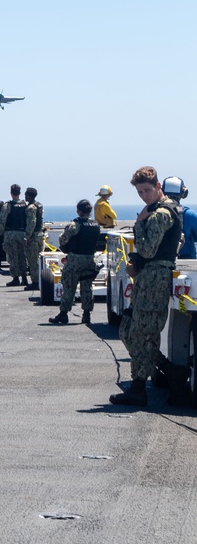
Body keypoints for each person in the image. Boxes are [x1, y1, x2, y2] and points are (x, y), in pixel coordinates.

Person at [109, 167, 182, 407]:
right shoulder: (158, 210)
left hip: (155, 280)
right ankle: (170, 372)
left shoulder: (161, 213)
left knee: (143, 334)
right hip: (148, 276)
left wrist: (139, 224)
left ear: (158, 186)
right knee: (130, 330)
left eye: (147, 190)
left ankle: (139, 388)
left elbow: (149, 250)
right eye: (140, 192)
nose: (144, 196)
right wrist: (137, 262)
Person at [49, 200, 103, 325]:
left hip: (75, 259)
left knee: (69, 285)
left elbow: (63, 240)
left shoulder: (75, 225)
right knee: (87, 286)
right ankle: (87, 314)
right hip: (90, 258)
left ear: (79, 211)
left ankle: (63, 313)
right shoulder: (96, 225)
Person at [0, 184, 33, 288]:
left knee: (13, 257)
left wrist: (1, 232)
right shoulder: (25, 205)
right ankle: (24, 278)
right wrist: (27, 234)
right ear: (20, 192)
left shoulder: (7, 205)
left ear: (11, 193)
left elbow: (2, 220)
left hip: (10, 233)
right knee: (22, 256)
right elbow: (29, 220)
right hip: (22, 233)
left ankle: (15, 278)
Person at [23, 187, 45, 290]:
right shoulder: (39, 205)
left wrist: (26, 237)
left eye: (26, 194)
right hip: (39, 234)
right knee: (37, 259)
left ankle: (35, 282)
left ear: (30, 196)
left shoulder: (31, 207)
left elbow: (31, 223)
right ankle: (39, 280)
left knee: (32, 260)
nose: (25, 196)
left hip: (34, 236)